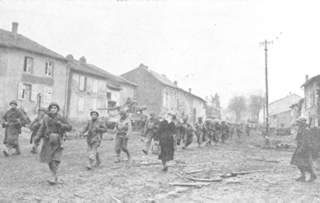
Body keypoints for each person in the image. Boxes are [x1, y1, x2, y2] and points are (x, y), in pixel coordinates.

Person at [36, 103, 72, 185]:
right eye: (51, 108)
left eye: (55, 108)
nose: (53, 109)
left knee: (55, 159)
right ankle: (54, 176)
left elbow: (70, 127)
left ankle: (53, 176)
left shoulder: (61, 118)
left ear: (57, 109)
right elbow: (42, 128)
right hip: (48, 140)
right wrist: (37, 137)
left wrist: (62, 125)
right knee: (49, 159)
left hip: (58, 140)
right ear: (49, 109)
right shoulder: (46, 118)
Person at [290, 117, 317, 182]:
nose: (298, 124)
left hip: (305, 149)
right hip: (300, 147)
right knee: (298, 163)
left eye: (299, 123)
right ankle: (303, 176)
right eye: (298, 123)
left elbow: (306, 141)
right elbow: (297, 139)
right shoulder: (300, 129)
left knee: (306, 164)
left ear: (302, 123)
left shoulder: (306, 130)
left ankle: (313, 175)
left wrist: (301, 149)